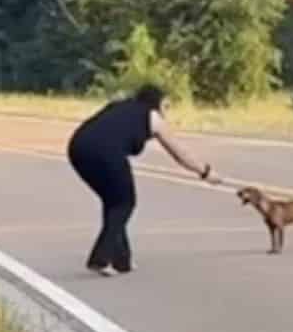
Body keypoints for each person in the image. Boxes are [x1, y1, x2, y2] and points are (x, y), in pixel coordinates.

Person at [66, 84, 220, 276]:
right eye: (166, 105)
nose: (167, 110)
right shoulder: (153, 117)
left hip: (78, 147)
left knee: (114, 202)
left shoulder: (119, 105)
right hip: (106, 152)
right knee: (125, 203)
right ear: (157, 103)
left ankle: (122, 260)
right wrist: (205, 172)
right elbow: (179, 153)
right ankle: (100, 258)